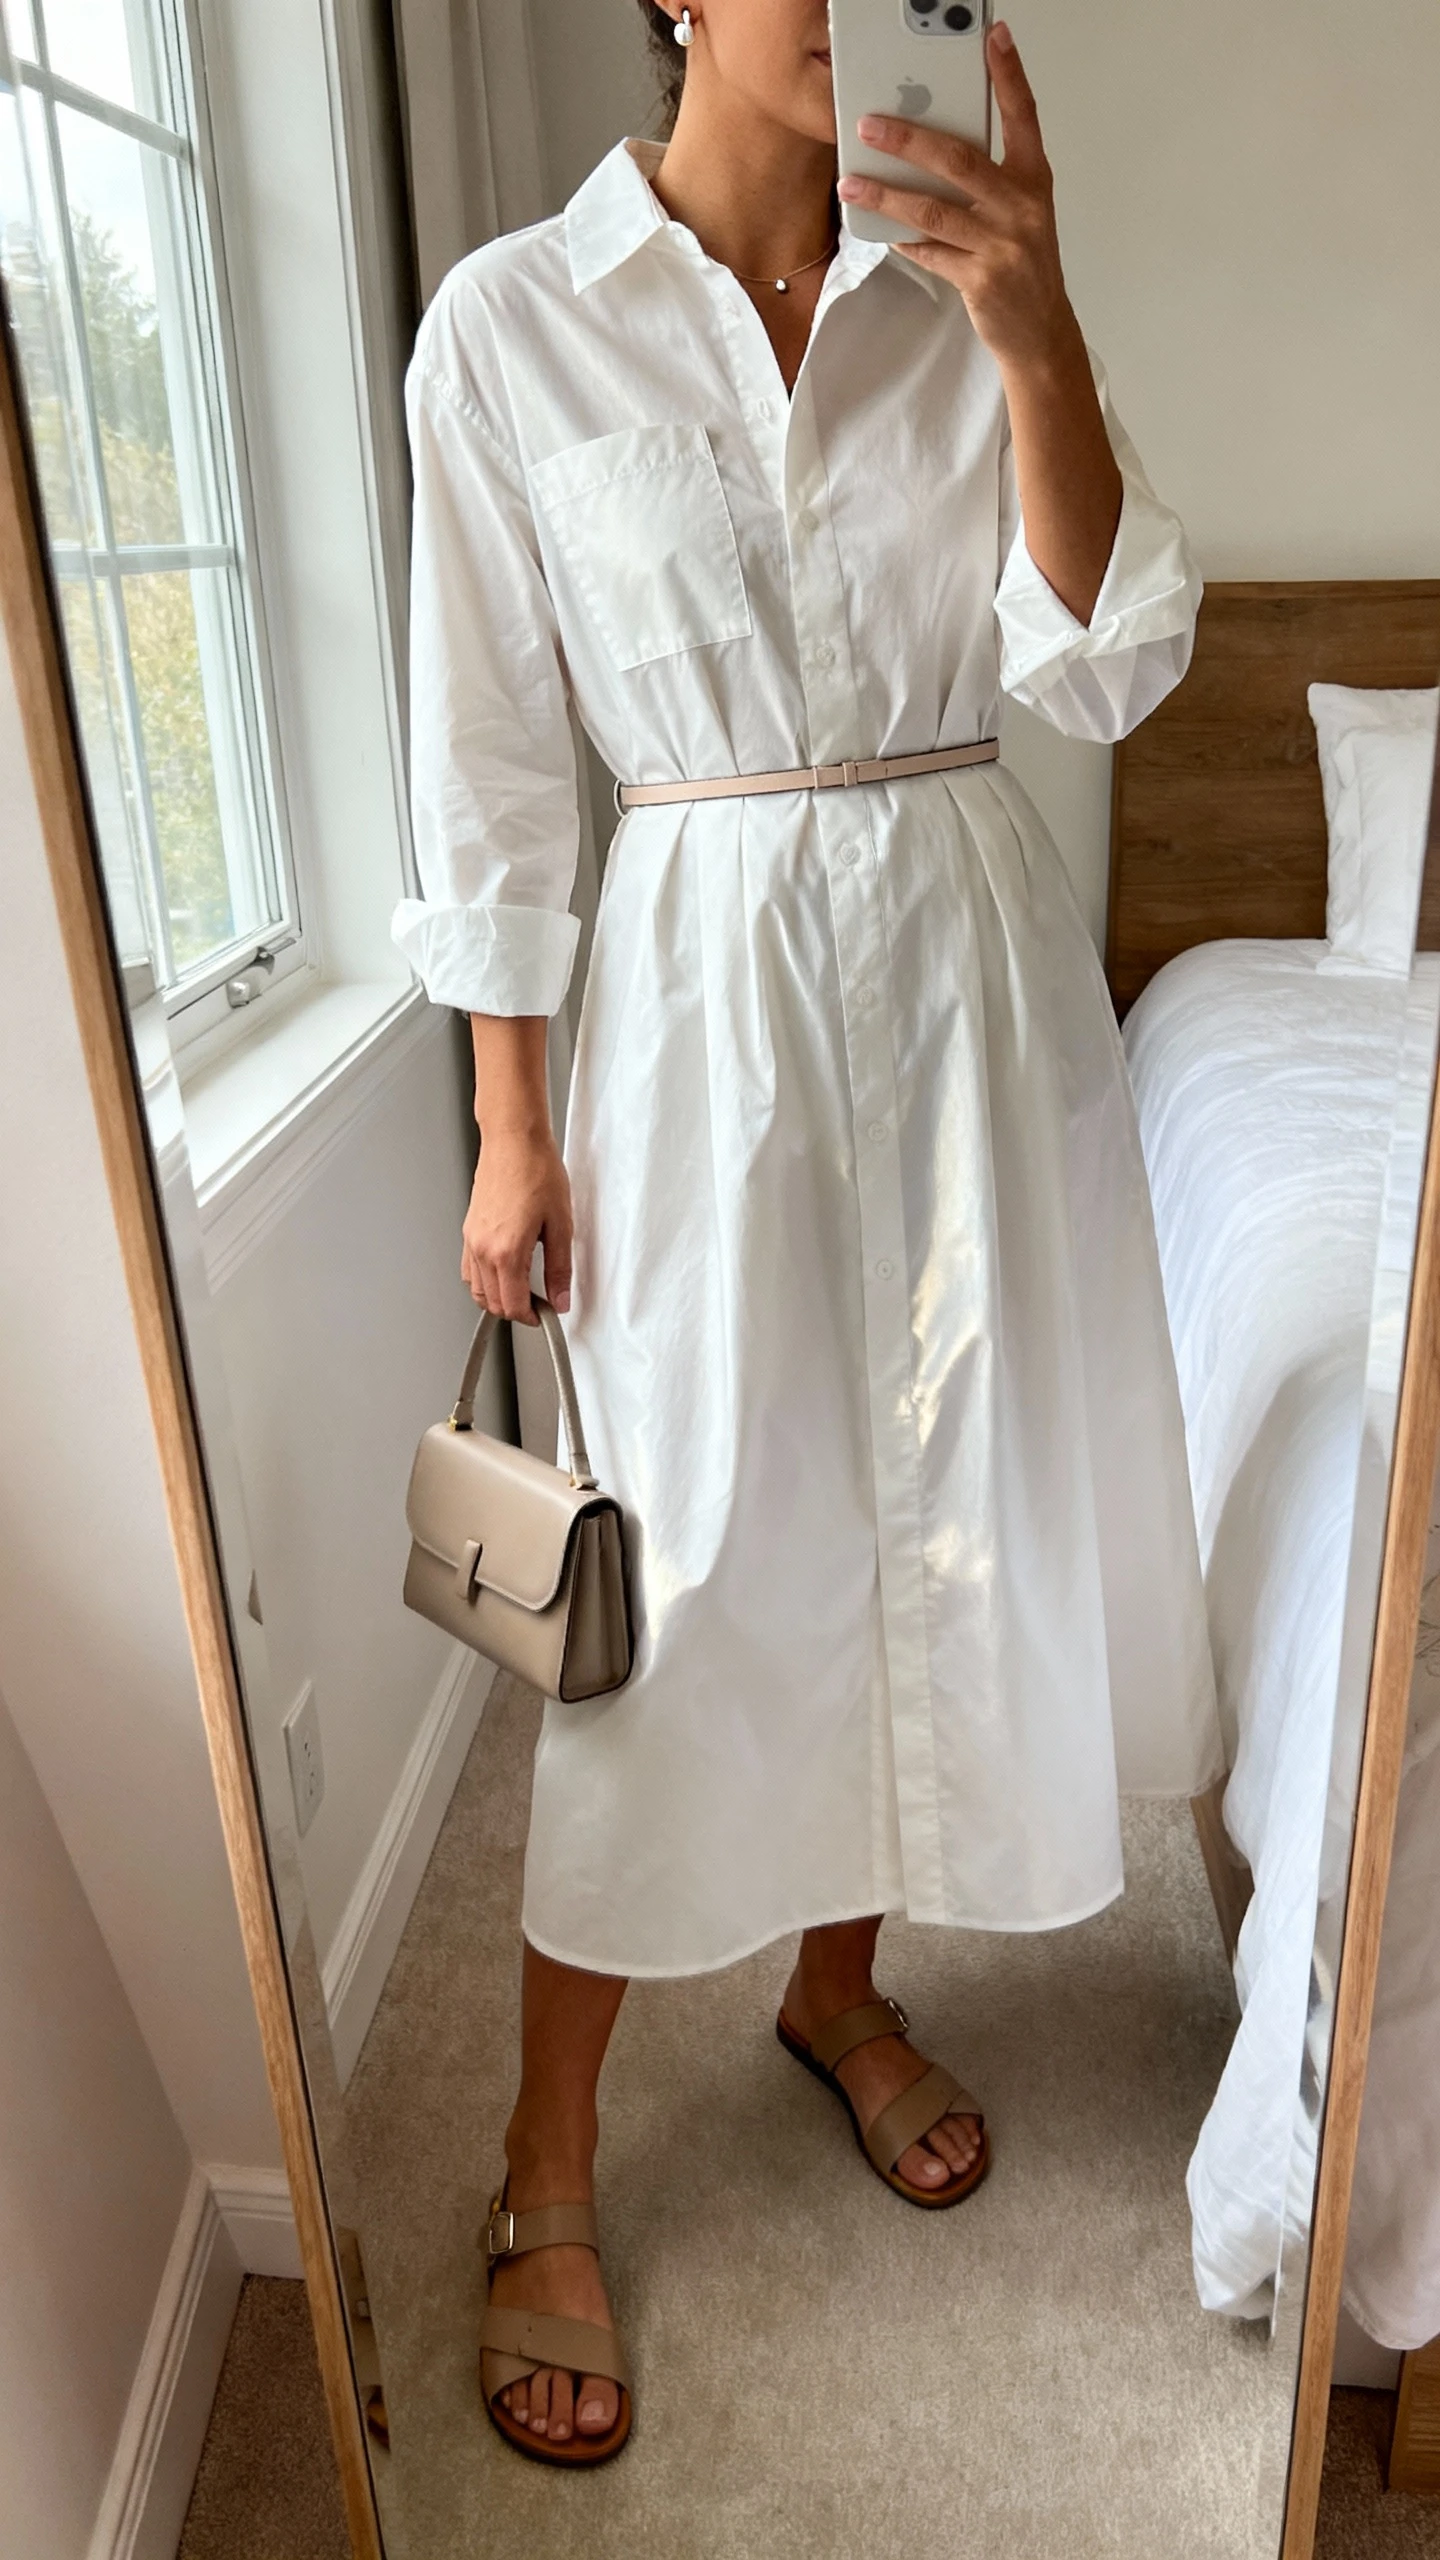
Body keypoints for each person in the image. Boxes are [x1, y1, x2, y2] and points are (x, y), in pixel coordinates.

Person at [392, 0, 1220, 2468]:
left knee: (926, 1527)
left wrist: (1039, 325)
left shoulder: (972, 283)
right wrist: (506, 1126)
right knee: (682, 1583)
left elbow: (1115, 652)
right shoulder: (514, 327)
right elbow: (491, 767)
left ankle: (833, 1986)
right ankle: (546, 2149)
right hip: (696, 1007)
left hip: (965, 975)